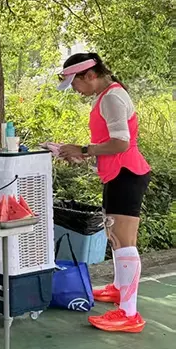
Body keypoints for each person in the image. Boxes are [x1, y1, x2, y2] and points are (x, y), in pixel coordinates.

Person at [57, 53, 151, 333]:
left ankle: (129, 313)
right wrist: (83, 154)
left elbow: (121, 143)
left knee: (125, 243)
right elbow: (108, 143)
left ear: (90, 75)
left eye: (75, 83)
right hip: (117, 174)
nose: (75, 90)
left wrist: (84, 150)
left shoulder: (112, 97)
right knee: (115, 237)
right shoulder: (106, 96)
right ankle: (120, 288)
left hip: (127, 174)